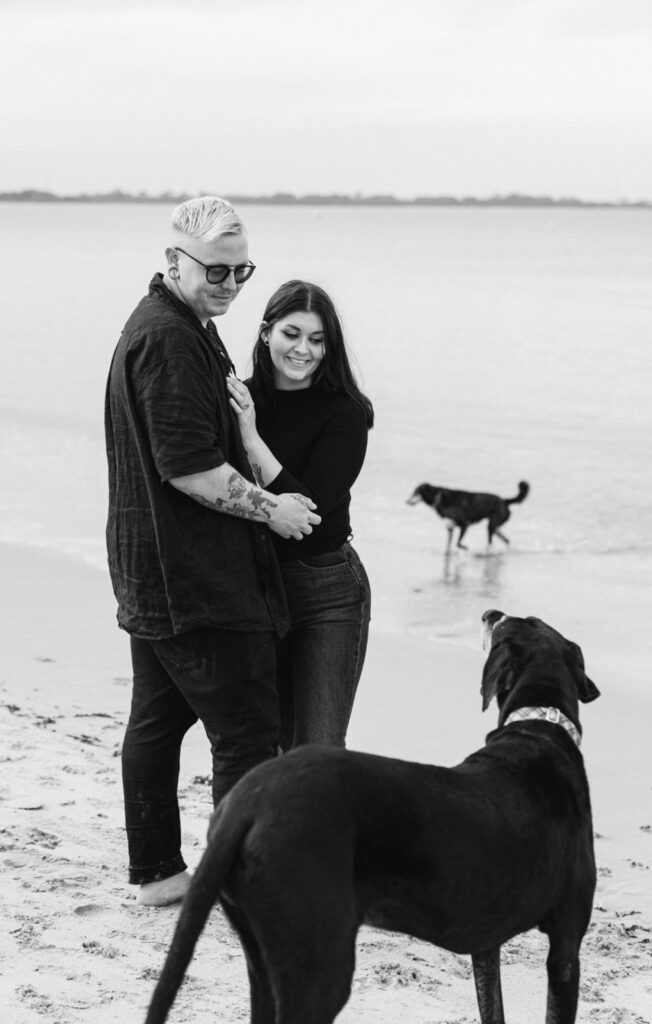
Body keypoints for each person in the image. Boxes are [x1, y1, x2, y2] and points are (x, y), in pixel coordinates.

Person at [105, 198, 320, 907]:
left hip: (154, 571)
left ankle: (160, 875)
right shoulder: (167, 339)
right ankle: (241, 886)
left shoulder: (183, 323)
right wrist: (275, 510)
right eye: (215, 270)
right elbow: (190, 467)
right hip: (196, 579)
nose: (230, 283)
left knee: (158, 723)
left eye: (241, 270)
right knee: (247, 738)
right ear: (173, 262)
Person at [226, 280, 373, 749]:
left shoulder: (347, 412)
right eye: (292, 334)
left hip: (326, 589)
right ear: (267, 333)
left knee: (317, 749)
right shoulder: (239, 398)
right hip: (254, 588)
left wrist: (251, 440)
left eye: (317, 339)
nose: (303, 350)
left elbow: (306, 512)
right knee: (262, 741)